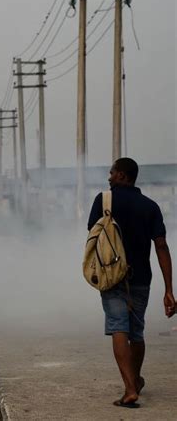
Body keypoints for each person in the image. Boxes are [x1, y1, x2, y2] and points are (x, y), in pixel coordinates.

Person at [88, 157, 175, 409]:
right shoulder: (150, 206)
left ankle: (129, 390)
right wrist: (169, 289)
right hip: (141, 279)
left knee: (118, 329)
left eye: (112, 173)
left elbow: (93, 237)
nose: (109, 177)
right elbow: (161, 246)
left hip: (111, 278)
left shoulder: (103, 201)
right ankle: (135, 381)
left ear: (123, 176)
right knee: (136, 333)